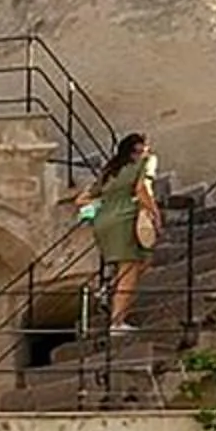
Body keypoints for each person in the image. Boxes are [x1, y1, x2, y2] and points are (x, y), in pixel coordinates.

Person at [76, 133, 160, 336]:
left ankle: (109, 292)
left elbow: (81, 199)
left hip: (104, 221)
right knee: (130, 268)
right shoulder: (146, 162)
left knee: (139, 262)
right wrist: (156, 215)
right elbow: (142, 189)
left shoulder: (111, 170)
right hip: (125, 219)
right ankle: (117, 322)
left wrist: (103, 204)